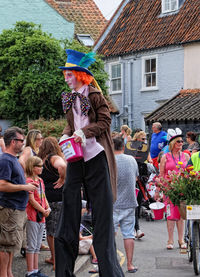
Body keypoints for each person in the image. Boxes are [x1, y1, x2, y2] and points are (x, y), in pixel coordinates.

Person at [55, 49, 124, 277]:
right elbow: (70, 124)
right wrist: (66, 136)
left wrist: (84, 132)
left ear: (80, 75)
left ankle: (110, 272)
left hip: (95, 155)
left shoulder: (94, 95)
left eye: (69, 75)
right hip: (76, 157)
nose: (66, 79)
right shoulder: (69, 98)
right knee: (69, 210)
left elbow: (105, 121)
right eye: (65, 75)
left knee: (102, 216)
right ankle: (64, 271)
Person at [0, 127, 36, 277]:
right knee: (5, 245)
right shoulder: (5, 160)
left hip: (16, 209)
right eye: (21, 140)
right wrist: (24, 186)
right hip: (9, 209)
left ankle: (8, 273)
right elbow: (2, 185)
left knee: (11, 246)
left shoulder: (12, 159)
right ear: (13, 142)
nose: (23, 143)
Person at [38, 137, 66, 270]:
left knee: (51, 231)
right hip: (57, 199)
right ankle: (57, 260)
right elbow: (63, 165)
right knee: (55, 231)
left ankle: (55, 259)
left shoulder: (42, 161)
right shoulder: (53, 158)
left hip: (47, 200)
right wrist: (62, 178)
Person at [160, 128, 190, 250]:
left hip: (182, 189)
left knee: (181, 215)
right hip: (169, 190)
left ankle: (181, 239)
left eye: (182, 141)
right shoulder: (165, 157)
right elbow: (161, 174)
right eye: (179, 141)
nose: (181, 143)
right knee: (170, 215)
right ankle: (170, 239)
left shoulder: (186, 156)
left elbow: (189, 172)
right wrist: (161, 188)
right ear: (173, 143)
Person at [113, 136, 138, 273]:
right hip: (129, 202)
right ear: (123, 146)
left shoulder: (109, 161)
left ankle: (112, 264)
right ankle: (130, 264)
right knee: (129, 234)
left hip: (113, 203)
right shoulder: (132, 160)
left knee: (111, 234)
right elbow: (135, 178)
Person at [25, 156, 50, 277]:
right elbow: (31, 200)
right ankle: (30, 272)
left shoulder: (40, 180)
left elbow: (43, 196)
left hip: (42, 216)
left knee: (37, 245)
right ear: (32, 167)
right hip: (33, 216)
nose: (41, 168)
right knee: (32, 245)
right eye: (39, 166)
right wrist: (43, 210)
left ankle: (35, 270)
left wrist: (48, 207)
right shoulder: (29, 181)